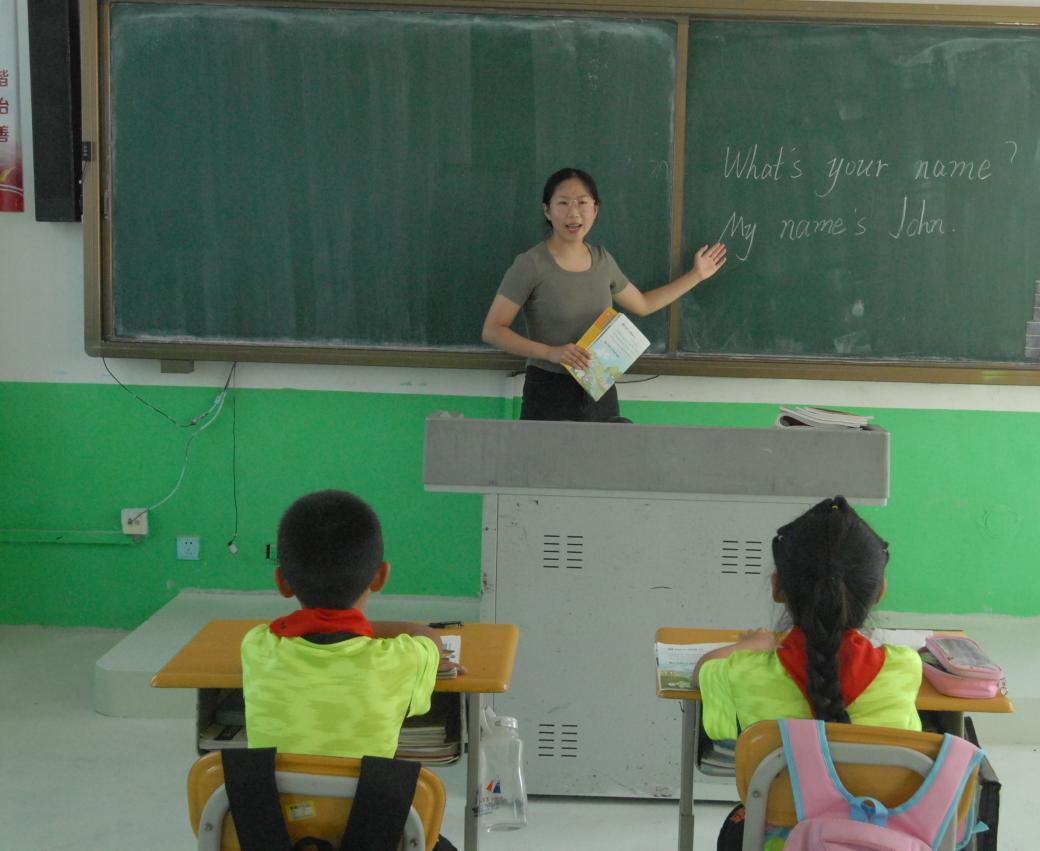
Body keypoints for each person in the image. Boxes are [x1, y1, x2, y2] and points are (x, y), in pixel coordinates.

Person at [691, 496, 922, 850]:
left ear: (777, 588)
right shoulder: (904, 667)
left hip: (778, 841)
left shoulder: (743, 672)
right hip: (877, 839)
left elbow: (704, 671)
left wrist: (752, 646)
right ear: (879, 591)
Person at [240, 490, 462, 848]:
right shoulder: (401, 659)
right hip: (372, 836)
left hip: (270, 837)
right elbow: (428, 637)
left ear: (282, 581)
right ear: (380, 577)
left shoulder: (256, 646)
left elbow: (283, 625)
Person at [482, 166, 727, 421]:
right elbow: (493, 330)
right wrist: (550, 352)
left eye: (582, 203)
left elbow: (643, 304)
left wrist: (696, 275)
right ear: (547, 210)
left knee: (605, 459)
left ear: (595, 209)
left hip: (599, 386)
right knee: (548, 461)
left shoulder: (602, 260)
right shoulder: (530, 264)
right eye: (563, 203)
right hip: (548, 389)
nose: (573, 213)